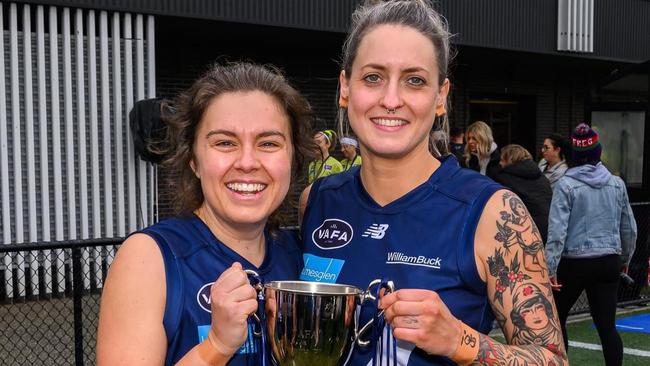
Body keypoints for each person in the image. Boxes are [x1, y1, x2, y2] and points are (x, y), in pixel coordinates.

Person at [299, 1, 567, 365]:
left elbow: (552, 359)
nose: (391, 100)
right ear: (346, 88)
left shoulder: (494, 212)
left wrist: (459, 340)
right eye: (373, 77)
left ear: (440, 97)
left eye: (414, 80)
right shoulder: (317, 200)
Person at [96, 62, 314, 366]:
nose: (248, 162)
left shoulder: (305, 257)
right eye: (225, 142)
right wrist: (217, 345)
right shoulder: (151, 258)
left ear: (293, 158)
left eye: (269, 143)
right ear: (194, 160)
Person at [545, 123, 637, 366]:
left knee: (557, 318)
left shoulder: (566, 184)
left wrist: (550, 268)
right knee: (607, 326)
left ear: (574, 154)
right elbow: (629, 227)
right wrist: (625, 259)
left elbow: (557, 231)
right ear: (598, 153)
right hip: (608, 261)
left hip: (573, 263)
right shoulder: (616, 183)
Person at [494, 144, 552, 243]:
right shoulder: (541, 177)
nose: (500, 163)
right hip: (547, 230)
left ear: (509, 160)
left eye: (502, 160)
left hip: (527, 234)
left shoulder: (505, 178)